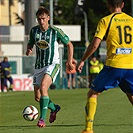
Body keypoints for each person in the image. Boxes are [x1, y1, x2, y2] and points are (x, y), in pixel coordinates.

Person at [76, 0, 133, 133]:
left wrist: (83, 59)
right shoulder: (131, 20)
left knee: (92, 93)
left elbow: (95, 44)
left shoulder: (106, 20)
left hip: (114, 66)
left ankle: (88, 129)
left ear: (109, 6)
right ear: (123, 4)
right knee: (131, 94)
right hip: (130, 67)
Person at [26, 6, 74, 128]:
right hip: (39, 66)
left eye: (43, 18)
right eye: (39, 19)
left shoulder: (55, 31)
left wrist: (69, 61)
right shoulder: (34, 31)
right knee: (37, 97)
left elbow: (69, 44)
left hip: (52, 64)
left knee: (43, 87)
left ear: (48, 18)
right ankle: (54, 108)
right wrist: (29, 49)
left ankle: (42, 119)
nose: (41, 21)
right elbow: (31, 42)